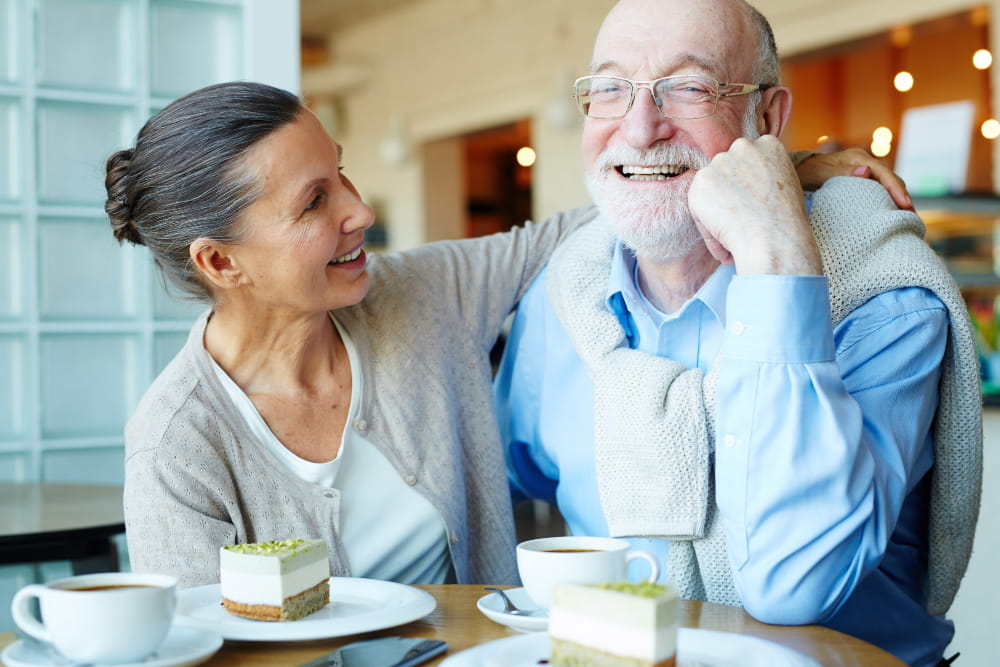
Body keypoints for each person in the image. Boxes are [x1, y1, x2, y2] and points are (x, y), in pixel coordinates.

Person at [107, 80, 915, 592]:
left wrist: (777, 170)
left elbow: (590, 226)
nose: (360, 210)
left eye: (343, 173)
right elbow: (190, 648)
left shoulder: (415, 293)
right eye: (315, 201)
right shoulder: (177, 444)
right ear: (219, 261)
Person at [493, 1, 982, 666]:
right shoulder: (563, 297)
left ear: (770, 118)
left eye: (689, 88)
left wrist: (778, 259)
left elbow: (795, 583)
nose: (638, 128)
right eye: (611, 88)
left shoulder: (883, 295)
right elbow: (511, 480)